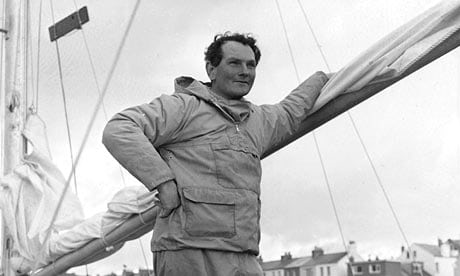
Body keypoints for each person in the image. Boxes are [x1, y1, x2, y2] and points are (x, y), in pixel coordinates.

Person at [102, 32, 328, 276]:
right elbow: (120, 128)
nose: (245, 71)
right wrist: (163, 183)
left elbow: (291, 110)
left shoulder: (258, 121)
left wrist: (322, 78)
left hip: (242, 253)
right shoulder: (184, 107)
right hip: (188, 251)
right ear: (211, 69)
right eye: (234, 63)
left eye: (251, 65)